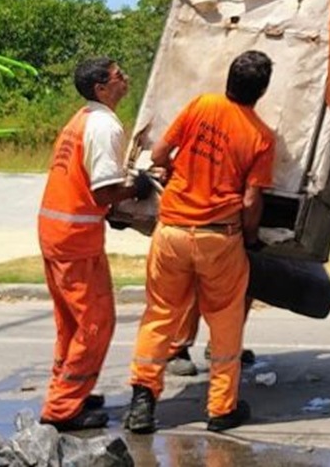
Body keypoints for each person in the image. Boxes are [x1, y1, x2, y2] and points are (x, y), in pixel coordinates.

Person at [124, 50, 275, 434]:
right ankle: (221, 409)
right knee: (225, 319)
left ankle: (143, 400)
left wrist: (181, 173)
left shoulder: (202, 105)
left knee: (160, 315)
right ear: (262, 92)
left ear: (229, 80)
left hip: (172, 231)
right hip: (219, 237)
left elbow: (158, 155)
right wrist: (252, 238)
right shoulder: (260, 135)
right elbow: (251, 200)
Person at [38, 57, 154, 431]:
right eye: (119, 76)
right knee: (95, 324)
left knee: (70, 324)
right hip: (76, 239)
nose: (126, 79)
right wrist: (139, 187)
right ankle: (62, 409)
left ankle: (70, 390)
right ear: (101, 88)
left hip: (58, 230)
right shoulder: (104, 125)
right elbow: (104, 190)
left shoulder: (82, 119)